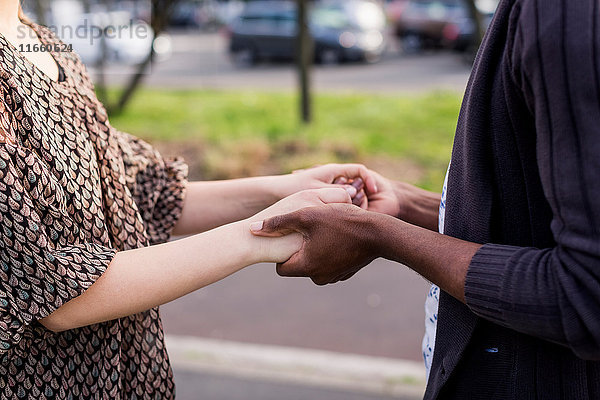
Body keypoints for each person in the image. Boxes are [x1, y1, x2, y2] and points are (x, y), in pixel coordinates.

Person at [0, 1, 378, 398]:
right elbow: (53, 295)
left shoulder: (44, 45)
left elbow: (139, 190)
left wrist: (285, 189)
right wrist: (260, 236)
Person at [251, 0, 600, 398]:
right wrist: (408, 204)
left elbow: (586, 293)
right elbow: (544, 219)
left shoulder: (568, 14)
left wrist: (381, 235)